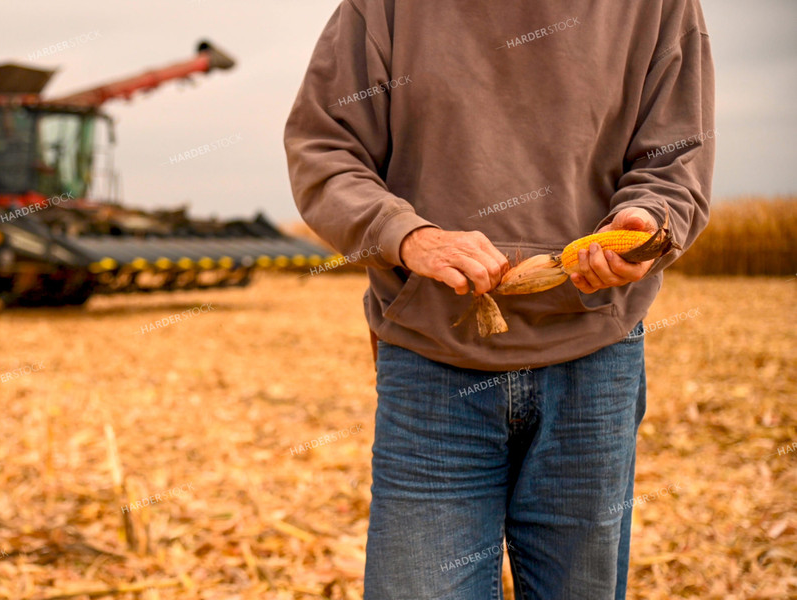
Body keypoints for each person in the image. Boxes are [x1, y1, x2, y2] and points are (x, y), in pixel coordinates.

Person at [283, 1, 714, 598]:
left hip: (594, 362)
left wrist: (644, 221)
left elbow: (675, 159)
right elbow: (325, 151)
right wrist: (410, 237)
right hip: (433, 361)